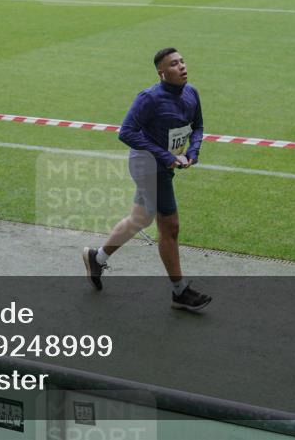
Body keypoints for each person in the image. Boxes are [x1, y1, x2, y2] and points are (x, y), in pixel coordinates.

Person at [82, 47, 211, 312]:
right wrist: (165, 156)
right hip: (148, 165)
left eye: (183, 61)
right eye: (174, 64)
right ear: (162, 72)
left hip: (165, 164)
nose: (182, 66)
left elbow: (197, 126)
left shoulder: (191, 93)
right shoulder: (149, 98)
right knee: (170, 226)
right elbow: (126, 132)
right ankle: (180, 291)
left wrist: (192, 152)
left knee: (140, 218)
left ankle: (97, 258)